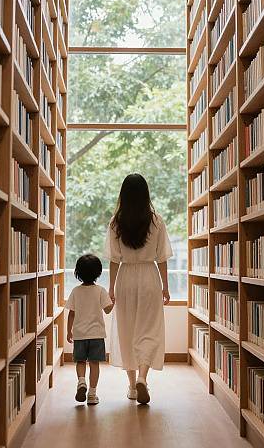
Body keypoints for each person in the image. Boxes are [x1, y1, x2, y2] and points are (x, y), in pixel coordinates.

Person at [105, 173, 173, 404]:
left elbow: (114, 259)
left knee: (126, 329)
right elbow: (162, 257)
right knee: (149, 328)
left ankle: (132, 385)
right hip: (149, 277)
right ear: (146, 194)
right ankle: (144, 376)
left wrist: (111, 289)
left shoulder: (116, 222)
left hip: (125, 277)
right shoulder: (156, 220)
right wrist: (165, 287)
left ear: (123, 194)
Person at [66, 254, 113, 405]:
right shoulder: (100, 290)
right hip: (96, 335)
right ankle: (92, 394)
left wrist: (69, 331)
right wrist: (114, 300)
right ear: (98, 273)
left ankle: (81, 382)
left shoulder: (75, 291)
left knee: (80, 361)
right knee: (94, 364)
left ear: (77, 273)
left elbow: (71, 313)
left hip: (79, 335)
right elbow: (107, 310)